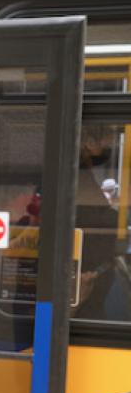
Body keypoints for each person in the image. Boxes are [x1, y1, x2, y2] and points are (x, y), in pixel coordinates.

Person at [74, 124, 128, 319]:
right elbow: (93, 217)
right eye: (108, 138)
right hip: (87, 281)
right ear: (89, 143)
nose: (112, 144)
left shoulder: (81, 176)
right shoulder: (77, 179)